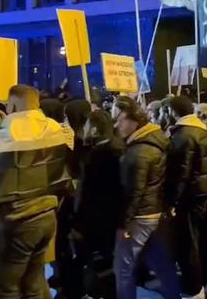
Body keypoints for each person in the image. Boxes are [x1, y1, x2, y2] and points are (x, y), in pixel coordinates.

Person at [0, 85, 72, 299]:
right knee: (34, 284)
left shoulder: (6, 134)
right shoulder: (56, 129)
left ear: (12, 104)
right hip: (47, 217)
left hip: (16, 222)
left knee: (5, 288)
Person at [113, 97, 181, 299]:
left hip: (140, 217)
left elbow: (134, 191)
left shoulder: (139, 152)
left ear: (134, 120)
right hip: (156, 212)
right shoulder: (156, 141)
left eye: (120, 120)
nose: (117, 125)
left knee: (123, 269)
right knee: (161, 263)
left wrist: (123, 224)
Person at [165, 96, 207, 298]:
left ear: (173, 111)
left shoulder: (184, 135)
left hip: (191, 199)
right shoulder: (204, 130)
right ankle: (205, 282)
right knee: (203, 243)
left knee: (188, 247)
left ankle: (193, 289)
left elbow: (181, 174)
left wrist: (172, 202)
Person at [72, 110, 125, 297]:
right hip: (116, 218)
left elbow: (87, 194)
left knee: (101, 265)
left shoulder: (97, 156)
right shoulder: (120, 147)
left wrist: (78, 223)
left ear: (94, 128)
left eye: (86, 125)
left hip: (98, 221)